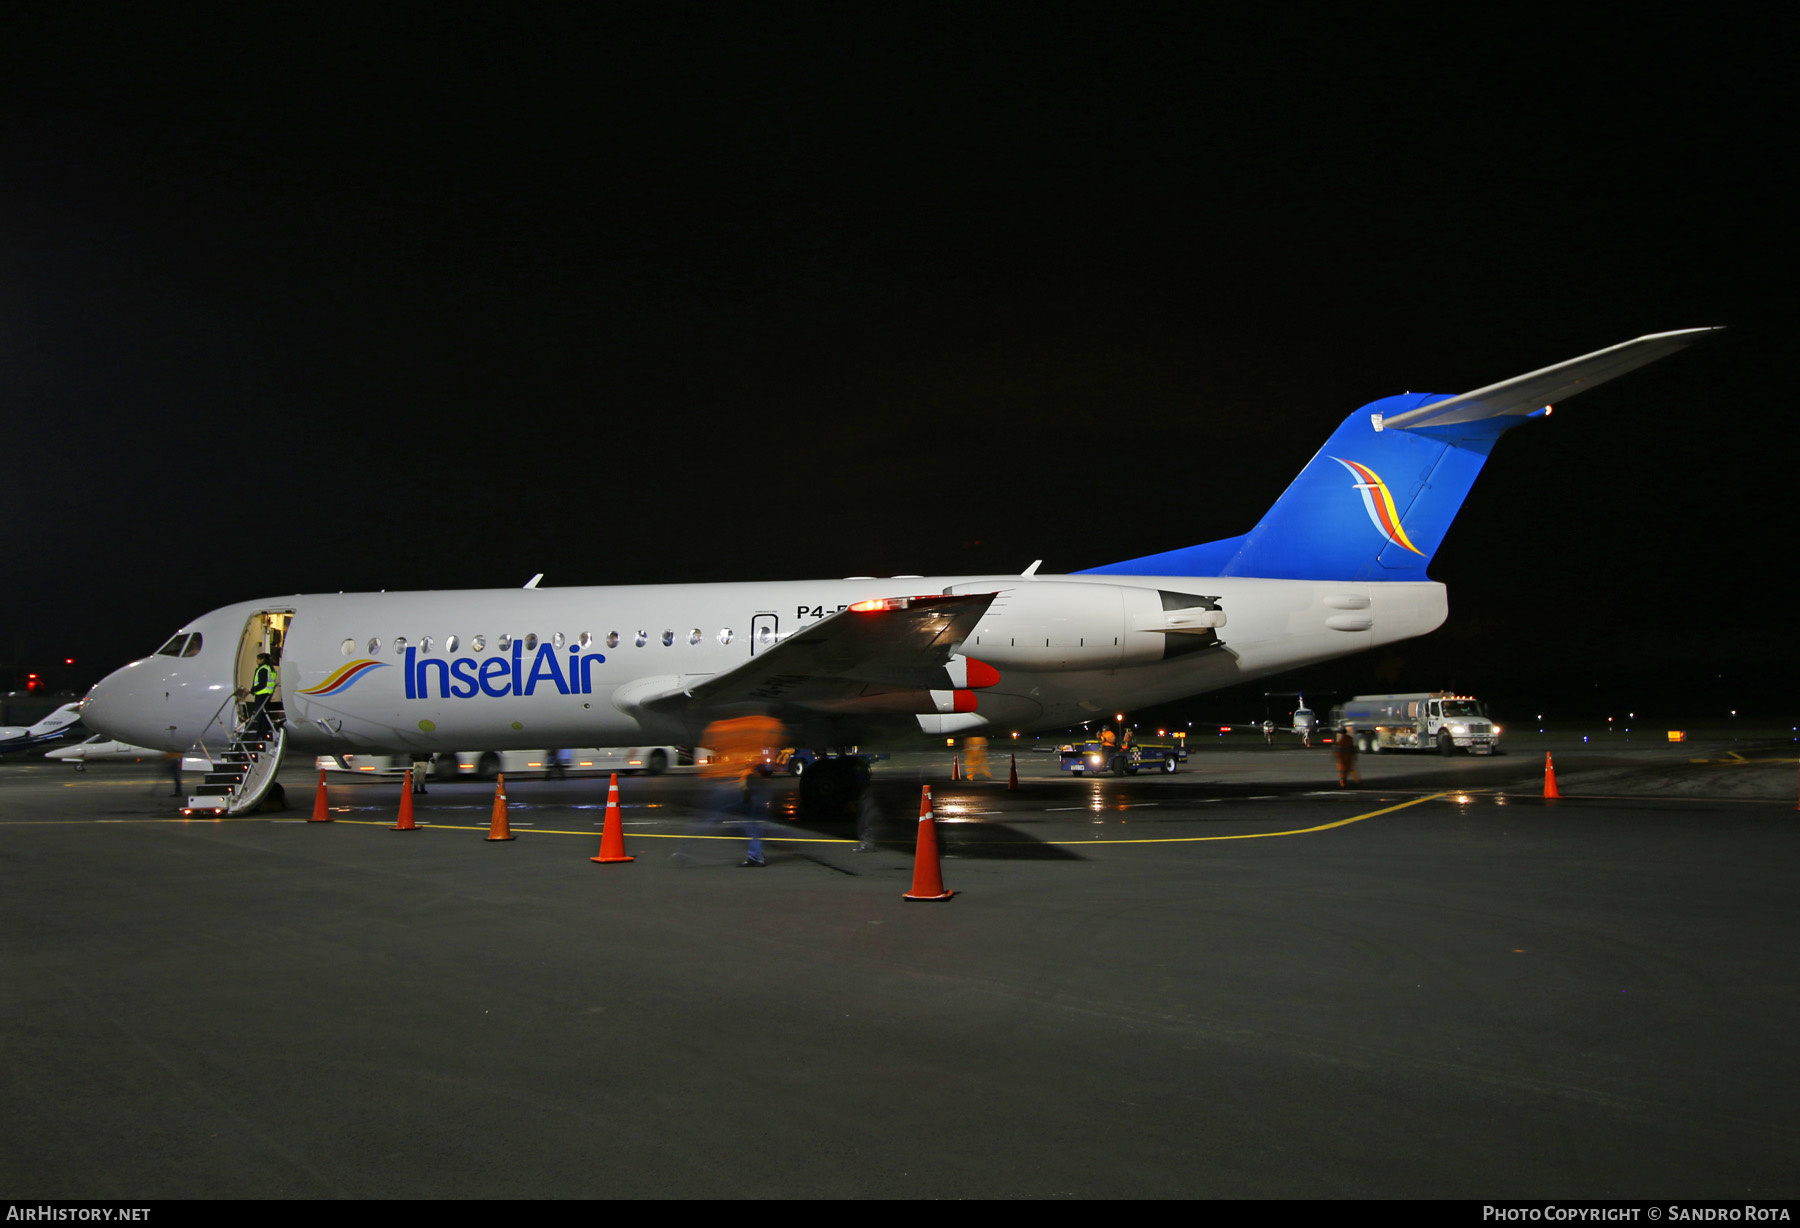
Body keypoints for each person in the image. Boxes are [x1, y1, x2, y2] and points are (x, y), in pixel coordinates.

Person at [695, 714, 783, 867]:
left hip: (748, 788)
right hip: (751, 787)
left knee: (745, 819)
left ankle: (758, 855)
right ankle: (757, 856)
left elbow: (747, 772)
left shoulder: (739, 741)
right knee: (751, 821)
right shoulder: (752, 743)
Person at [239, 652, 279, 738]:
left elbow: (261, 684)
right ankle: (263, 733)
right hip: (267, 694)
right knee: (263, 714)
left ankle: (260, 734)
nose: (257, 661)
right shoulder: (270, 668)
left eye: (258, 659)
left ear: (262, 660)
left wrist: (250, 690)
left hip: (262, 694)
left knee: (260, 715)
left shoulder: (263, 669)